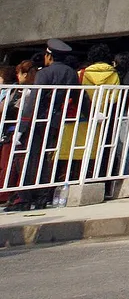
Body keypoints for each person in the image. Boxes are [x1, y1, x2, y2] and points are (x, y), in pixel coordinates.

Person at [9, 40, 79, 211]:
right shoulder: (71, 73)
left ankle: (24, 198)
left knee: (29, 158)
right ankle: (42, 196)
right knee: (46, 158)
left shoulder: (44, 73)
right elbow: (79, 96)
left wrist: (22, 128)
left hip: (38, 121)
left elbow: (34, 100)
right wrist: (92, 112)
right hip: (55, 121)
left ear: (49, 56)